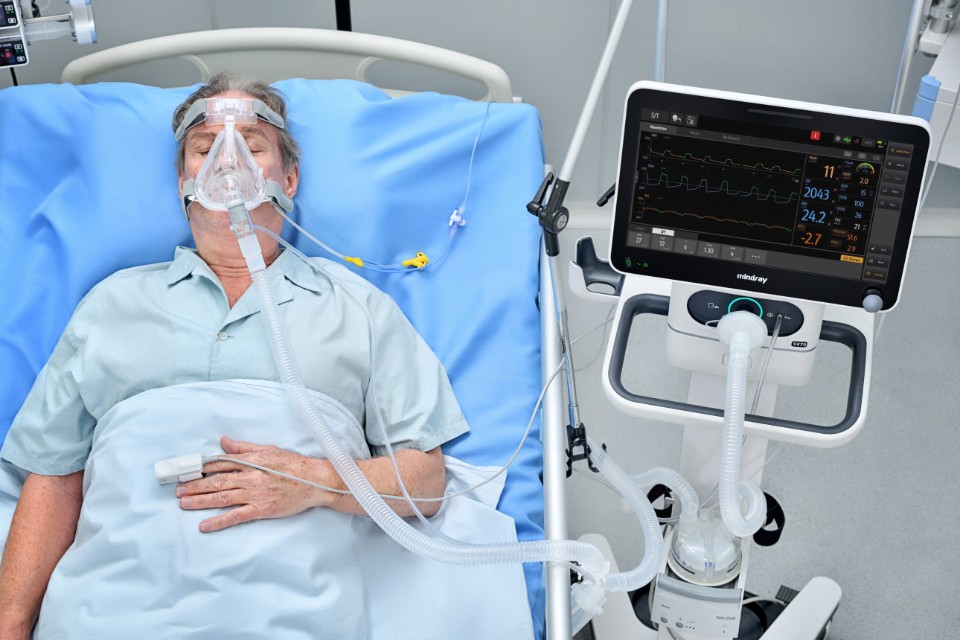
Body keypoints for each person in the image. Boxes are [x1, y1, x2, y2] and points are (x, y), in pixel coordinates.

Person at [0, 73, 469, 639]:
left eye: (251, 145)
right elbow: (53, 480)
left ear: (288, 178)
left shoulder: (356, 307)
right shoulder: (111, 303)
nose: (229, 163)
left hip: (288, 617)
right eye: (206, 148)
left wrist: (317, 481)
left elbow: (425, 480)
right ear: (184, 181)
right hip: (108, 613)